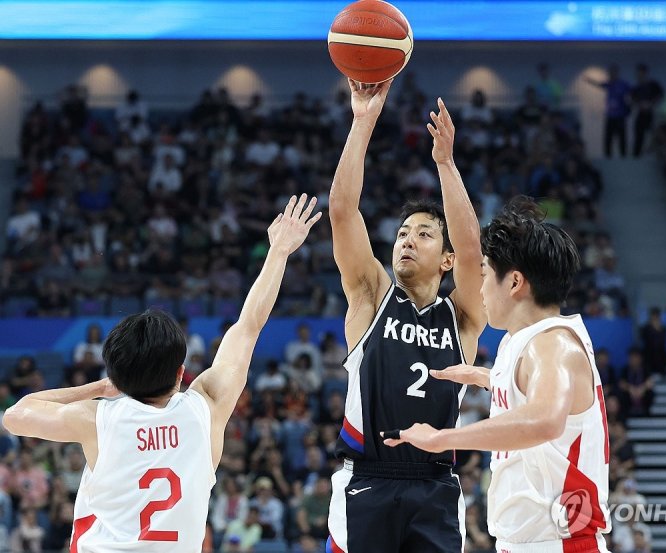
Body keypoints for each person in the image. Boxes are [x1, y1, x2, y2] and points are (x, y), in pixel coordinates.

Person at [2, 195, 321, 553]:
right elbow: (249, 326)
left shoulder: (95, 418)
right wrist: (278, 251)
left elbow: (15, 416)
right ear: (182, 372)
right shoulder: (207, 408)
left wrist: (97, 388)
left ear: (118, 376)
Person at [385, 197, 611, 552]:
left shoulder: (552, 344)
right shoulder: (521, 342)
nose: (480, 289)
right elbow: (542, 398)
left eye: (485, 275)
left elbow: (545, 420)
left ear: (515, 282)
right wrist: (488, 377)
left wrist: (443, 438)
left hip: (561, 543)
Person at [326, 78, 486, 553]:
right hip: (366, 482)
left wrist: (445, 164)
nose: (407, 241)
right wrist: (362, 121)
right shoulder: (371, 296)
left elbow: (474, 249)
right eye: (402, 234)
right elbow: (342, 210)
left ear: (446, 260)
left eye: (423, 235)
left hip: (435, 486)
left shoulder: (462, 319)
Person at [585, 64, 631, 158]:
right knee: (608, 138)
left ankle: (624, 157)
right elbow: (599, 84)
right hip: (610, 116)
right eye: (610, 73)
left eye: (613, 73)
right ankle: (608, 157)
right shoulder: (608, 84)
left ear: (617, 73)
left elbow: (633, 93)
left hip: (620, 116)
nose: (612, 75)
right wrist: (589, 80)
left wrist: (629, 105)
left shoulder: (623, 84)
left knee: (622, 138)